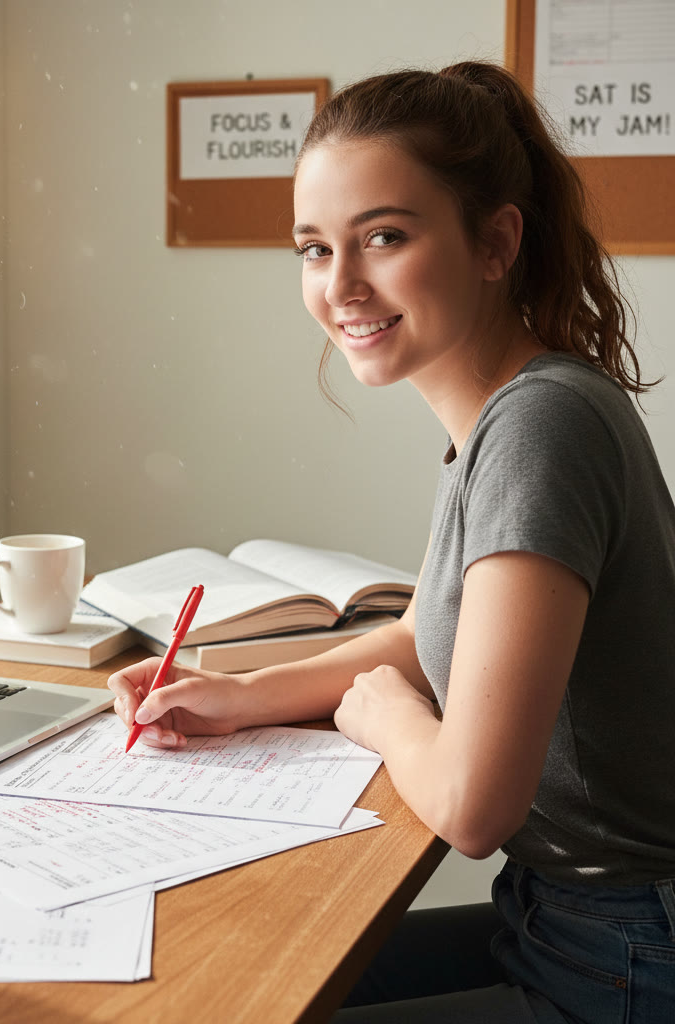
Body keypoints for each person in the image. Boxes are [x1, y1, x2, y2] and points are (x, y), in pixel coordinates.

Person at [108, 61, 675, 1022]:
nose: (341, 286)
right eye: (313, 248)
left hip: (625, 946)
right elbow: (424, 635)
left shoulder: (540, 428)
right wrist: (238, 697)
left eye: (384, 237)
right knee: (255, 977)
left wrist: (385, 721)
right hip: (566, 916)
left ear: (495, 242)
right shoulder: (501, 417)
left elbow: (472, 808)